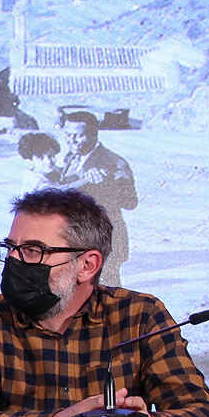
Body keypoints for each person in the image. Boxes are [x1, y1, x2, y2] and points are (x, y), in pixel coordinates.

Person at [0, 188, 209, 417]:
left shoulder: (140, 315)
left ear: (87, 265)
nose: (14, 260)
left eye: (32, 251)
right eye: (10, 248)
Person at [52, 108, 136, 286]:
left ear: (94, 135)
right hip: (75, 240)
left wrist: (106, 183)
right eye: (67, 135)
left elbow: (130, 202)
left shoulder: (113, 162)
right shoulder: (70, 157)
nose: (71, 140)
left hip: (102, 240)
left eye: (78, 136)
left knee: (106, 293)